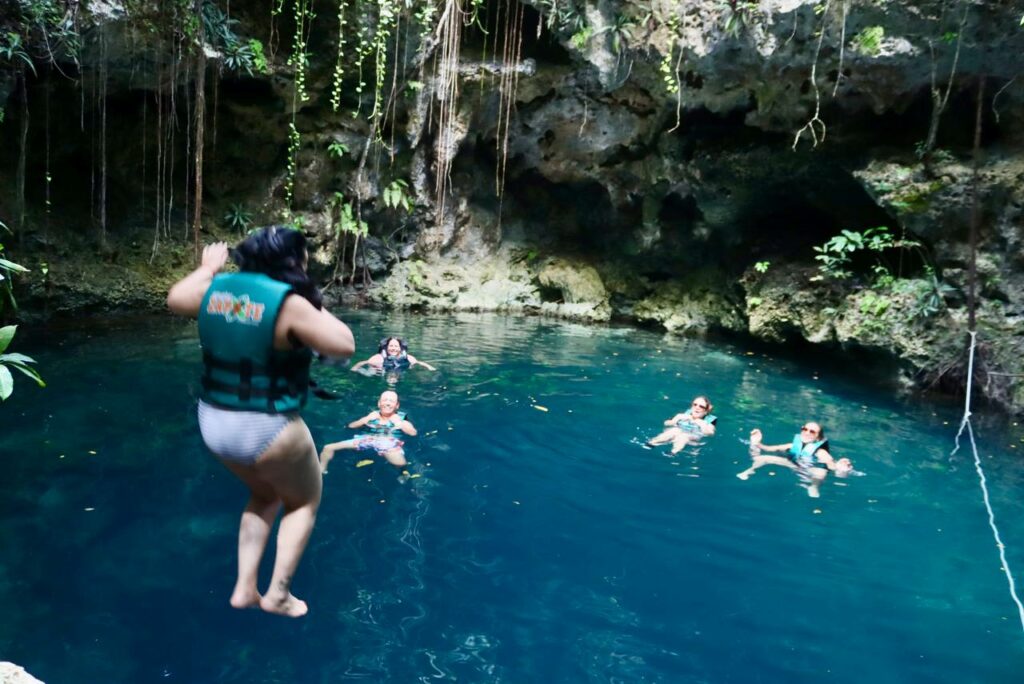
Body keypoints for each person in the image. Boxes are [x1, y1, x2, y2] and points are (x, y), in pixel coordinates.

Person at [167, 226, 355, 618]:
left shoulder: (216, 290)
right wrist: (305, 293)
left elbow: (175, 299)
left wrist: (207, 269)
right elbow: (344, 344)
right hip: (267, 427)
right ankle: (278, 594)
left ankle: (243, 588)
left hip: (214, 423)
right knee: (303, 501)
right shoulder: (288, 302)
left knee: (265, 495)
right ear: (293, 261)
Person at [736, 422, 854, 498]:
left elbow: (830, 464)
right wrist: (756, 442)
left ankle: (813, 486)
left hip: (810, 470)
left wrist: (839, 467)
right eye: (804, 429)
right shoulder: (792, 445)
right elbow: (768, 448)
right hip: (793, 465)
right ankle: (749, 471)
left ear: (818, 437)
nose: (807, 432)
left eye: (812, 431)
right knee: (762, 458)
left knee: (820, 472)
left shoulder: (820, 451)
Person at [320, 390, 417, 470]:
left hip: (388, 443)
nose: (387, 403)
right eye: (385, 400)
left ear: (397, 405)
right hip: (367, 439)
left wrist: (398, 423)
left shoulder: (401, 418)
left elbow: (413, 433)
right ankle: (321, 471)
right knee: (328, 447)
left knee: (400, 464)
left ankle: (403, 475)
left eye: (391, 401)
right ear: (379, 403)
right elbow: (351, 426)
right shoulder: (372, 416)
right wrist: (365, 420)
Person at [646, 396, 717, 454]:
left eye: (701, 406)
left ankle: (673, 452)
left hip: (692, 438)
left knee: (684, 436)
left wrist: (702, 425)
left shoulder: (707, 421)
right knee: (675, 430)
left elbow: (711, 433)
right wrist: (676, 420)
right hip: (677, 431)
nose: (697, 407)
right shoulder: (683, 416)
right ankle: (652, 443)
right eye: (695, 404)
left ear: (706, 411)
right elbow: (666, 423)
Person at [350, 337, 437, 372]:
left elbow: (419, 362)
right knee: (370, 373)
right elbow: (363, 362)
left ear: (400, 348)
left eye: (396, 346)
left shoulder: (408, 357)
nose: (393, 348)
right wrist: (355, 368)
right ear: (386, 347)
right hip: (381, 371)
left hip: (399, 370)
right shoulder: (379, 358)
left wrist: (430, 367)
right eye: (391, 346)